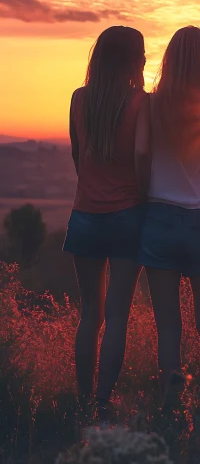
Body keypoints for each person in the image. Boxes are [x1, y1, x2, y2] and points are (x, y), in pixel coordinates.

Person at [136, 26, 200, 443]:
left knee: (168, 328)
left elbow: (141, 155)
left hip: (159, 217)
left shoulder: (151, 105)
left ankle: (171, 408)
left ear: (168, 59)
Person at [64, 26, 147, 420]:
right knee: (117, 316)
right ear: (134, 59)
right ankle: (101, 401)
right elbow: (142, 161)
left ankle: (82, 400)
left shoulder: (79, 99)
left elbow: (79, 160)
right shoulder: (139, 102)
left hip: (84, 216)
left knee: (89, 315)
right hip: (128, 215)